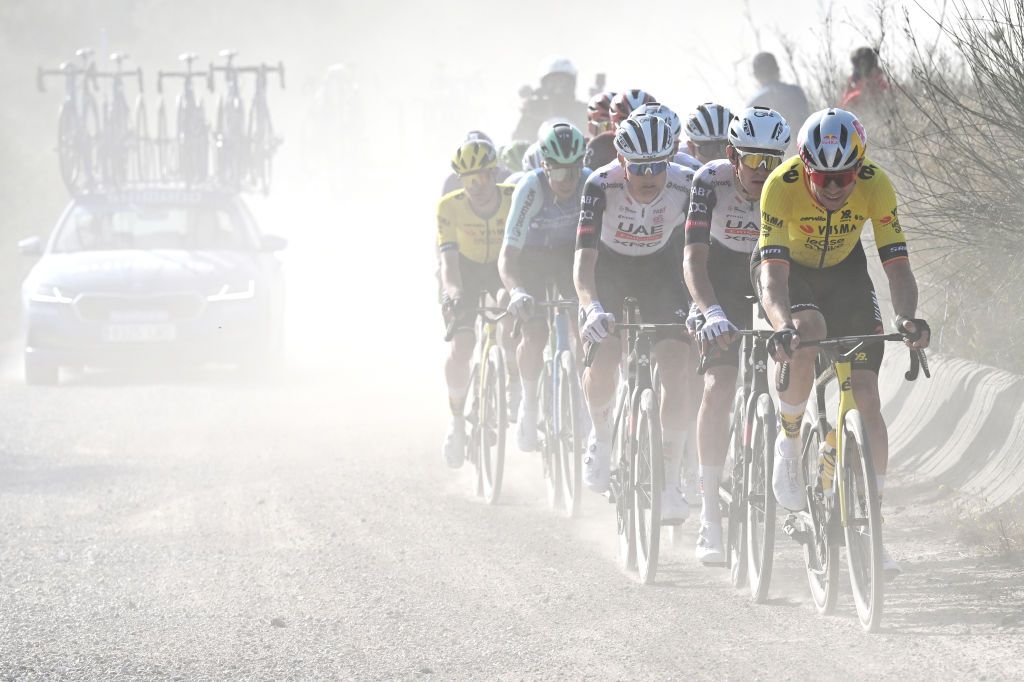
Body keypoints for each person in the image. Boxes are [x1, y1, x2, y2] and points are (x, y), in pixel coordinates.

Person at [752, 107, 930, 575]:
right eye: (823, 177)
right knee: (807, 333)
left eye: (844, 176)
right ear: (805, 167)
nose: (834, 188)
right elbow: (771, 278)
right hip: (791, 273)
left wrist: (908, 318)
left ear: (860, 168)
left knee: (868, 396)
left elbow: (896, 264)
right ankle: (789, 444)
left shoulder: (876, 184)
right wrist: (780, 325)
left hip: (847, 276)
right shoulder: (781, 185)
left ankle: (871, 521)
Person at [574, 113, 696, 523]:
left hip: (659, 272)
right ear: (622, 162)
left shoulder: (685, 183)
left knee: (678, 364)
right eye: (638, 167)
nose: (648, 176)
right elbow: (583, 264)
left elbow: (697, 253)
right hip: (607, 270)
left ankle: (668, 480)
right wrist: (591, 306)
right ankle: (602, 435)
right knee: (605, 355)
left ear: (670, 160)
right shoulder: (599, 184)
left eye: (657, 166)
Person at [682, 106, 790, 563]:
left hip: (773, 272)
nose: (764, 173)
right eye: (753, 161)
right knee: (720, 385)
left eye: (773, 161)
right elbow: (692, 259)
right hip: (720, 278)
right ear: (732, 155)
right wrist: (708, 311)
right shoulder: (709, 180)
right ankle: (709, 514)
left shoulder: (788, 182)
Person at [499, 123, 589, 450]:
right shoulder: (530, 188)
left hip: (569, 257)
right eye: (560, 173)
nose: (568, 181)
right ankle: (528, 403)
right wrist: (516, 291)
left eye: (574, 171)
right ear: (544, 166)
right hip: (531, 258)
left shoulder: (589, 182)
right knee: (534, 332)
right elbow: (507, 257)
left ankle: (584, 405)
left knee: (585, 327)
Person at [438, 139, 519, 468]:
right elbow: (448, 264)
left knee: (509, 306)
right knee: (462, 344)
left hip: (501, 268)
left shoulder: (513, 198)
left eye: (484, 178)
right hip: (467, 273)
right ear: (461, 182)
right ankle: (456, 422)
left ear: (495, 173)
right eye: (470, 181)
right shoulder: (449, 206)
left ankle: (513, 381)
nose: (478, 187)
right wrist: (454, 294)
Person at [513, 56, 589, 141]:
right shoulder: (534, 110)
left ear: (571, 83)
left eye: (562, 81)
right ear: (544, 84)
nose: (558, 87)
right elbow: (519, 144)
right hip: (541, 154)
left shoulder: (584, 111)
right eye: (553, 82)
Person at [747, 52, 809, 155]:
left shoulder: (753, 104)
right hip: (806, 154)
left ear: (756, 75)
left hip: (774, 162)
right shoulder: (796, 92)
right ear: (777, 70)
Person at [630, 101, 702, 171]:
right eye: (644, 150)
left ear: (676, 148)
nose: (652, 169)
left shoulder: (692, 168)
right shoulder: (691, 170)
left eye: (662, 156)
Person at [839, 46, 890, 113]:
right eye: (858, 65)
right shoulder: (851, 87)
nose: (859, 68)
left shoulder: (882, 85)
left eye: (863, 64)